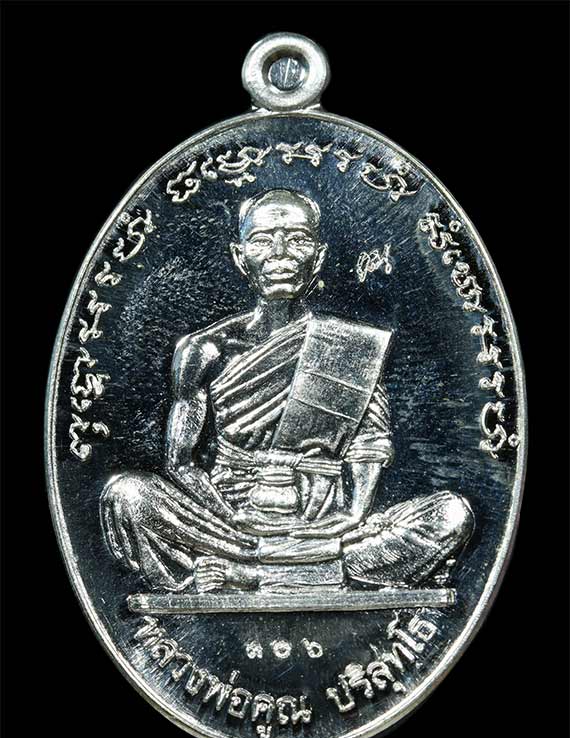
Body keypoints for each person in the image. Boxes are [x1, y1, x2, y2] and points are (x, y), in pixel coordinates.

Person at [100, 189, 474, 594]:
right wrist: (232, 520)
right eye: (262, 240)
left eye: (297, 239)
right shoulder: (204, 350)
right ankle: (300, 569)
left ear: (319, 255)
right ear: (240, 256)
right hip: (231, 523)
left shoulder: (349, 345)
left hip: (323, 523)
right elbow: (181, 463)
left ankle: (253, 576)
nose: (280, 253)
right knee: (128, 497)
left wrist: (353, 514)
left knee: (450, 515)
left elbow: (369, 444)